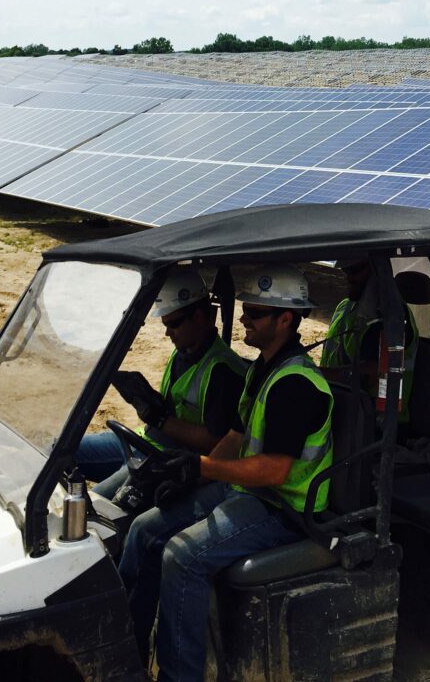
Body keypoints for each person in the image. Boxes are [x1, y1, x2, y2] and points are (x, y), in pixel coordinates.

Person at [117, 265, 333, 682]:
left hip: (284, 509)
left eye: (254, 313)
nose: (244, 320)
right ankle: (128, 657)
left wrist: (204, 465)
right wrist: (190, 479)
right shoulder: (261, 370)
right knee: (144, 529)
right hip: (245, 491)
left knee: (183, 556)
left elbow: (275, 469)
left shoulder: (297, 385)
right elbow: (235, 436)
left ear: (285, 320)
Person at [77, 268, 246, 498]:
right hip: (147, 438)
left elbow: (217, 441)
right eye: (165, 324)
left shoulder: (223, 371)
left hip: (172, 459)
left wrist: (160, 420)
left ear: (198, 317)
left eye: (174, 324)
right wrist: (148, 400)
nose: (167, 333)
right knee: (62, 452)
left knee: (100, 503)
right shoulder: (184, 351)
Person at [319, 258, 419, 424]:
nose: (349, 277)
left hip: (377, 426)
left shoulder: (392, 320)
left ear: (377, 272)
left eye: (355, 270)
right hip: (340, 409)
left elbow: (369, 376)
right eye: (346, 271)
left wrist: (315, 373)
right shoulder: (345, 307)